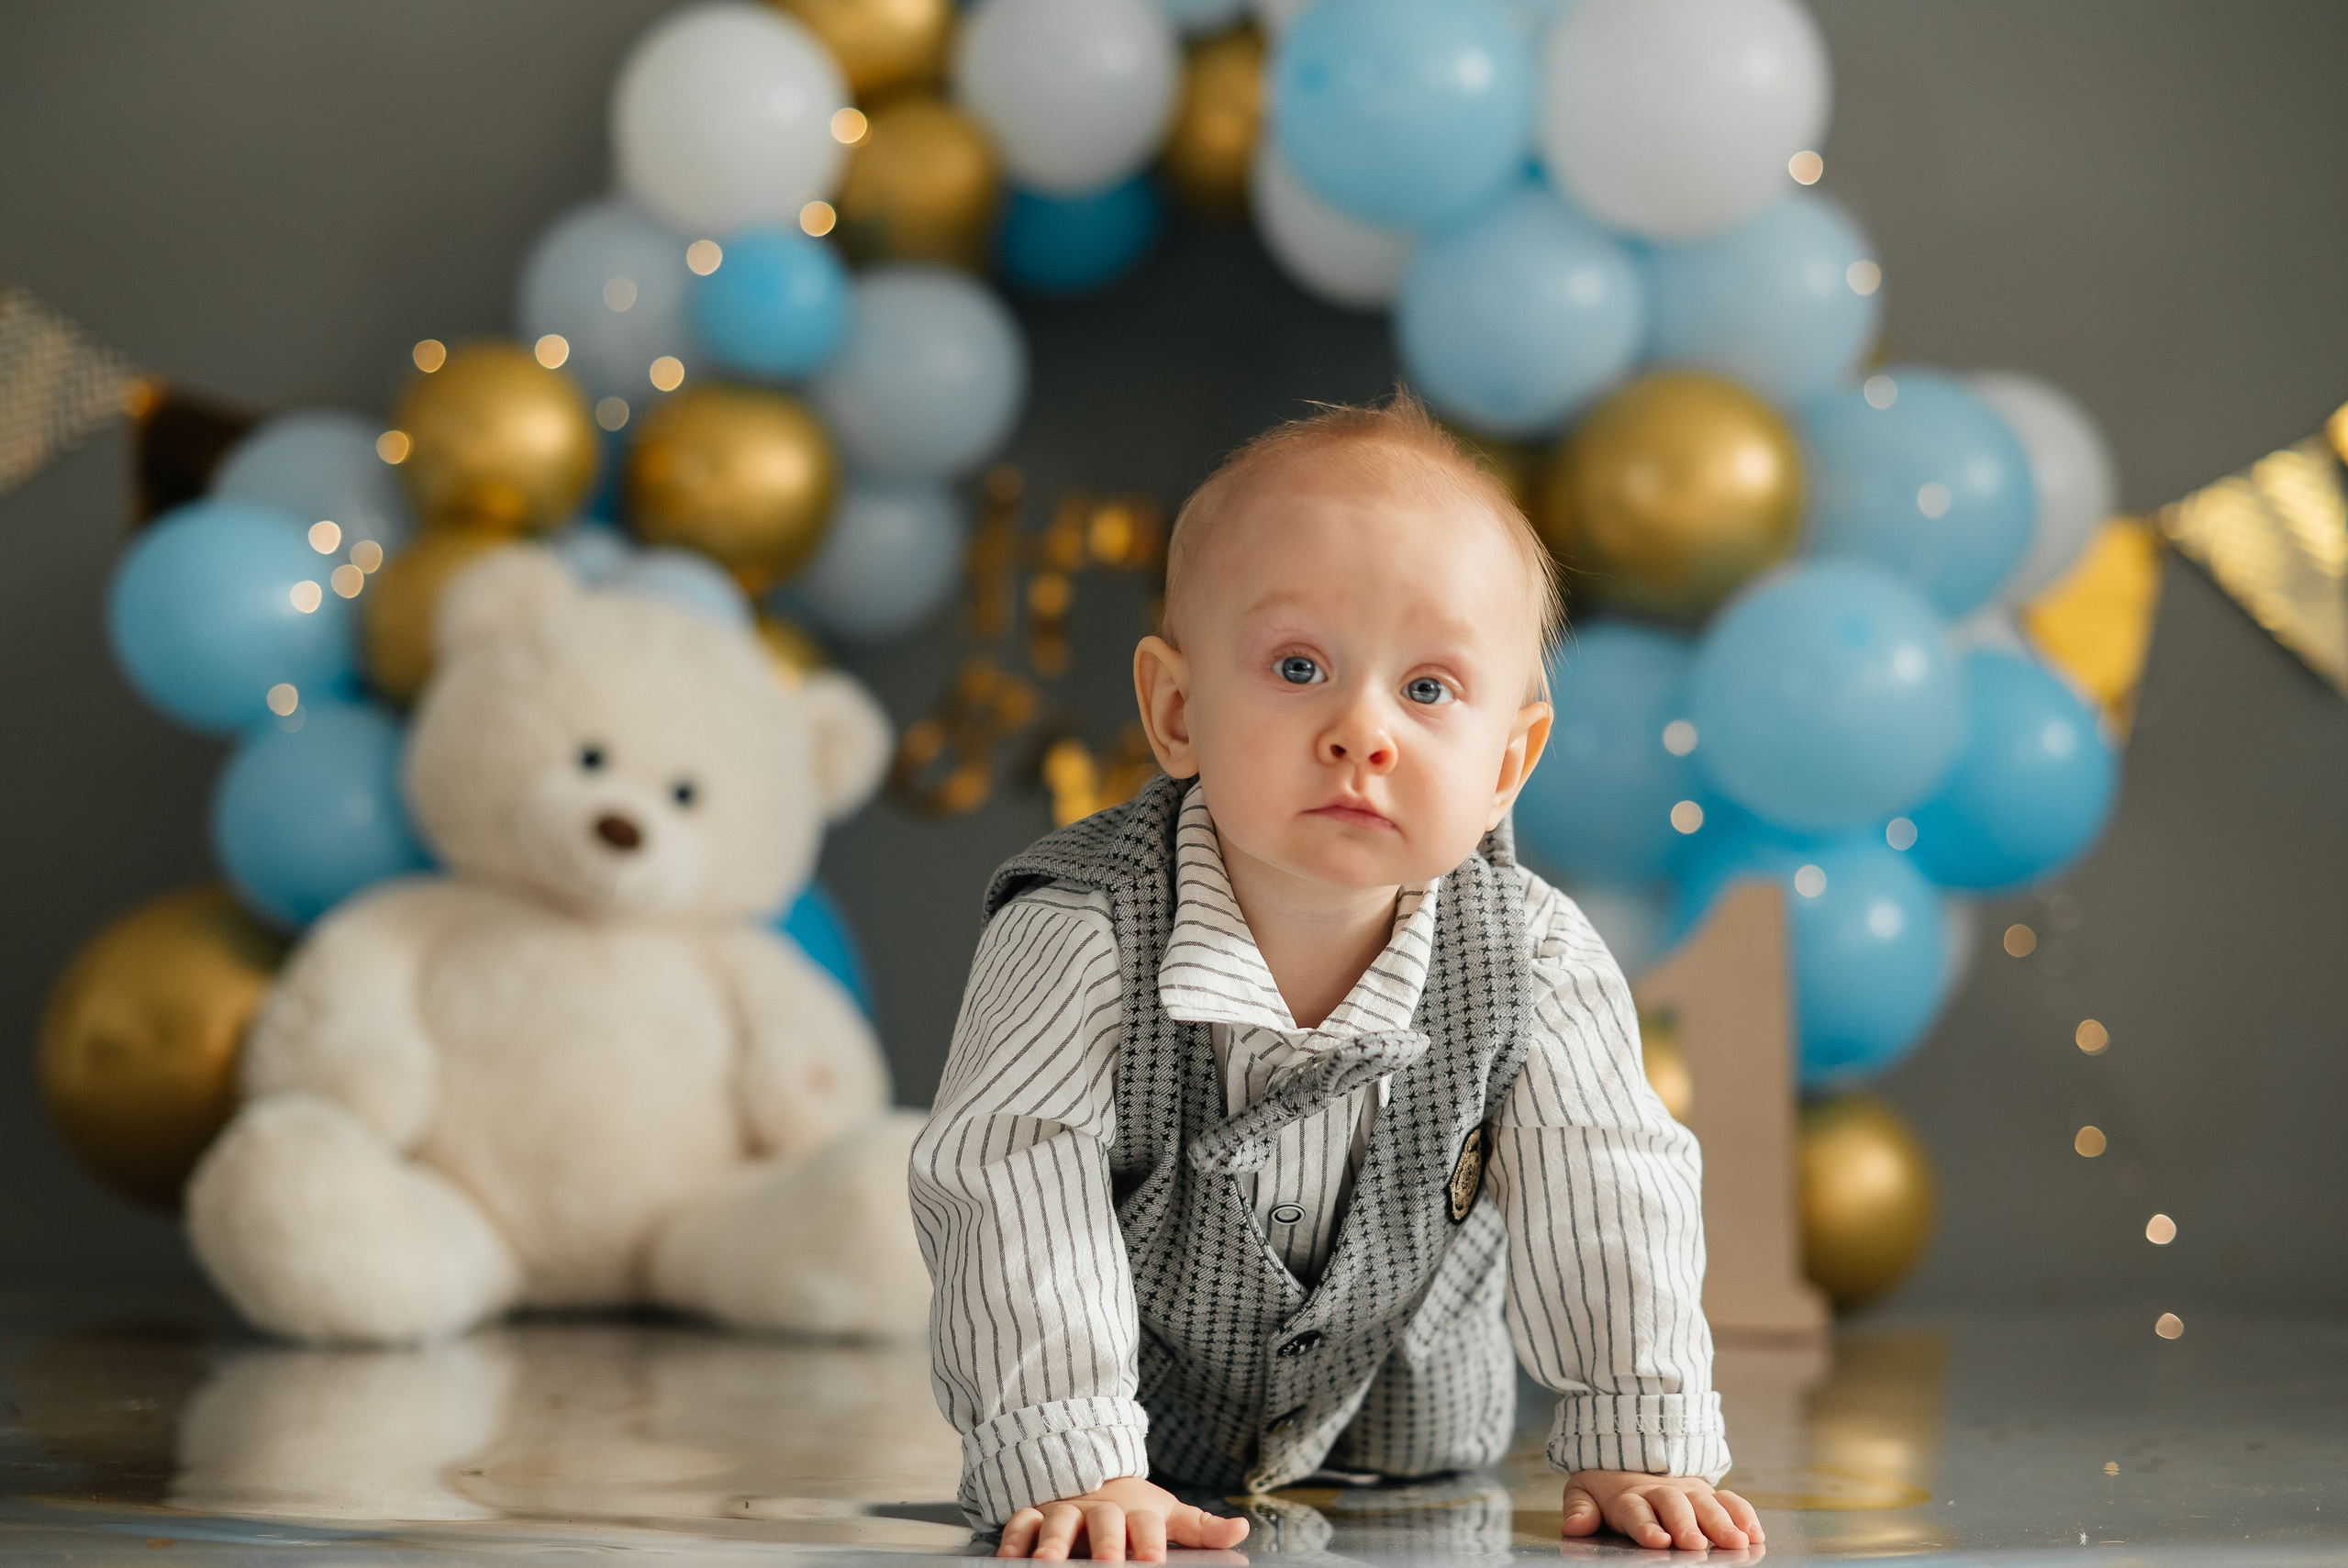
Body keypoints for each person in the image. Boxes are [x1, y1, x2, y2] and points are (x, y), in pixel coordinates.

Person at [910, 393, 1758, 1562]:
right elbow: (1010, 1181)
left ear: (1508, 762)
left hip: (1405, 1435)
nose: (1364, 730)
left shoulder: (1533, 955)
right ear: (1175, 708)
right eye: (1299, 664)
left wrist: (1641, 1434)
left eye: (1429, 688)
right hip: (1135, 1429)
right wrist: (1075, 1459)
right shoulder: (1082, 930)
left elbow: (1609, 1184)